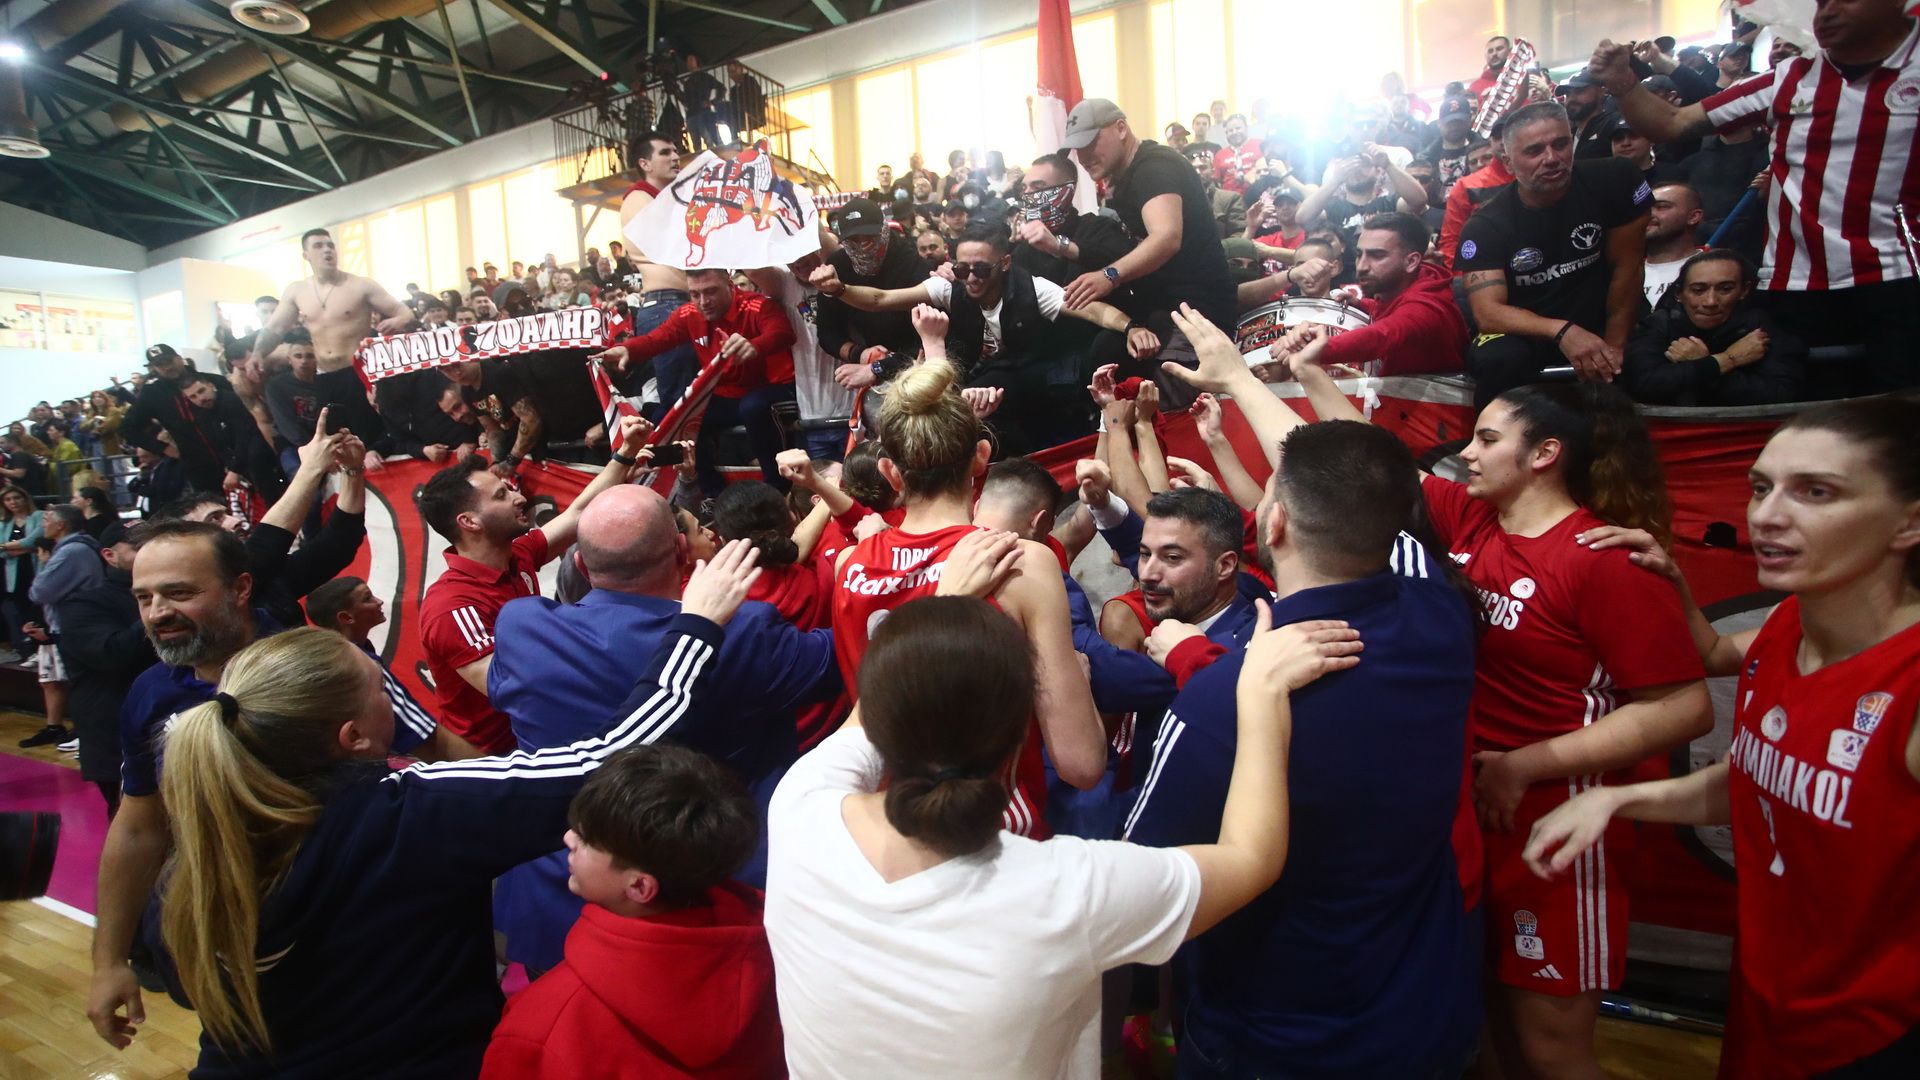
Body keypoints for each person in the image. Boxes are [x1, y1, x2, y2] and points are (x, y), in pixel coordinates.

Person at [110, 545, 754, 1074]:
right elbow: (609, 757)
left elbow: (187, 986)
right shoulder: (407, 816)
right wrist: (696, 626)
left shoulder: (201, 842)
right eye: (379, 688)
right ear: (355, 738)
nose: (391, 697)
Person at [765, 590, 1360, 1077]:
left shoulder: (800, 810)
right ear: (1019, 739)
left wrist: (943, 604)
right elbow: (1251, 857)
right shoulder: (1065, 889)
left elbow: (873, 712)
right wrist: (1257, 692)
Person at [1525, 396, 1920, 1079]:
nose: (1767, 515)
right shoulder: (1786, 626)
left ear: (1909, 522)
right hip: (1770, 1005)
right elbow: (1761, 779)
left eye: (1816, 492)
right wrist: (1615, 800)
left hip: (1878, 1034)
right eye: (1762, 487)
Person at [1126, 419, 1482, 1078]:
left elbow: (1139, 894)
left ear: (1276, 523)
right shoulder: (1443, 616)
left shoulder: (1218, 705)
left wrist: (1202, 662)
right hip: (1427, 1018)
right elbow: (1369, 493)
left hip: (1276, 1041)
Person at [486, 482, 838, 971]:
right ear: (681, 552)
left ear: (582, 566)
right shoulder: (743, 632)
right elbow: (855, 652)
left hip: (557, 908)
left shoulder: (521, 629)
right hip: (714, 912)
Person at [828, 360, 1106, 839]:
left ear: (891, 472)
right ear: (981, 457)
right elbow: (1081, 764)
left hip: (887, 830)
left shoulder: (849, 567)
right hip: (990, 831)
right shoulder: (1020, 563)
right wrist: (1079, 680)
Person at [1590, 1, 1920, 395]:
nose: (1825, 12)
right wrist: (1622, 82)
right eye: (1819, 2)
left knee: (1900, 410)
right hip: (1796, 284)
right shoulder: (1789, 78)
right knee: (1807, 411)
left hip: (1897, 276)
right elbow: (1672, 123)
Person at [480, 744, 781, 1079]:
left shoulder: (543, 1027)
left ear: (639, 887)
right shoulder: (779, 953)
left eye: (587, 840)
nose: (568, 839)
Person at [414, 414, 651, 754]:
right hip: (496, 759)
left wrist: (625, 453)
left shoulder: (517, 553)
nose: (519, 497)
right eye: (501, 495)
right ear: (469, 522)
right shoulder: (451, 607)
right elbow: (513, 688)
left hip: (544, 736)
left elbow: (578, 513)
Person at [810, 227, 1157, 455]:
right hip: (998, 375)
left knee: (1109, 345)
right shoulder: (949, 288)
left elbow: (1093, 310)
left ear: (1004, 263)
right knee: (977, 398)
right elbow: (880, 299)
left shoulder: (1032, 288)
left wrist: (1131, 328)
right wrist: (839, 290)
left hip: (1045, 368)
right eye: (963, 269)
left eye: (981, 269)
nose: (971, 278)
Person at [1456, 101, 1652, 406]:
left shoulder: (1616, 180)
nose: (1551, 159)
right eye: (1534, 151)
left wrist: (1613, 350)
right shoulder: (1486, 225)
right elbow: (1488, 313)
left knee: (1648, 359)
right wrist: (1562, 331)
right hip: (1530, 331)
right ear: (1508, 163)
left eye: (1560, 144)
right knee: (1499, 358)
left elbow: (1627, 269)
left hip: (1603, 317)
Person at [592, 268, 797, 494]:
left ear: (729, 285)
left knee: (754, 406)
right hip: (728, 398)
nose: (703, 301)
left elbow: (783, 333)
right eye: (695, 294)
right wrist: (626, 349)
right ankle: (709, 493)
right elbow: (656, 339)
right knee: (670, 415)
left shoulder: (757, 305)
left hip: (777, 390)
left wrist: (756, 346)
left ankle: (778, 490)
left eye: (711, 291)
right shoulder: (689, 313)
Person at [1061, 98, 1238, 353]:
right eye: (1078, 148)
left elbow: (1166, 237)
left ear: (1121, 128)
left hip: (1195, 316)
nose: (1083, 157)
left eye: (1090, 143)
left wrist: (1109, 276)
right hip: (1170, 310)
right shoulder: (1129, 174)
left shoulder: (1153, 168)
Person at [249, 228, 413, 441]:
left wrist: (398, 320)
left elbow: (403, 311)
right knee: (338, 438)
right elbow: (275, 328)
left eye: (330, 245)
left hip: (359, 372)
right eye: (318, 246)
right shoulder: (297, 291)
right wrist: (257, 353)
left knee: (374, 437)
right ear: (306, 255)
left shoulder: (360, 285)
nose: (327, 250)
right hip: (324, 376)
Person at [1268, 212, 1469, 376]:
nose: (1362, 266)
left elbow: (1381, 336)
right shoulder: (1408, 283)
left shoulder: (1427, 307)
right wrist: (1362, 304)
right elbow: (1395, 310)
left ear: (1411, 261)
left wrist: (1310, 348)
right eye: (1359, 254)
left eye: (1377, 255)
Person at [1622, 248, 1807, 406]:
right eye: (1698, 290)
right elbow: (1642, 385)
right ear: (1679, 293)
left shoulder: (1765, 327)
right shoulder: (1658, 325)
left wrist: (1701, 365)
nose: (1710, 301)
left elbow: (1783, 393)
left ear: (1744, 290)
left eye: (1725, 289)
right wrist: (1725, 361)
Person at [57, 521, 153, 815]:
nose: (151, 552)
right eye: (139, 546)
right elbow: (111, 653)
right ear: (109, 555)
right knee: (134, 821)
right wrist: (160, 607)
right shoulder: (83, 603)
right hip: (117, 736)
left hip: (175, 728)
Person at [617, 131, 699, 406]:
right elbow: (672, 243)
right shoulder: (638, 197)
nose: (675, 157)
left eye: (676, 151)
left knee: (694, 397)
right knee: (680, 401)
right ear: (645, 163)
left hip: (681, 301)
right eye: (665, 152)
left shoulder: (666, 199)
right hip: (665, 303)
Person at [119, 345, 258, 495]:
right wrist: (163, 448)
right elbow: (128, 428)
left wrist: (238, 462)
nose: (167, 367)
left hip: (239, 457)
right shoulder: (152, 394)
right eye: (160, 365)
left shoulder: (212, 380)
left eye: (169, 361)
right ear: (155, 368)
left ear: (179, 359)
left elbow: (244, 421)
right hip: (198, 467)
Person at [1297, 144, 1429, 275]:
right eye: (1351, 165)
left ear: (1378, 171)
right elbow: (1302, 217)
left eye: (1365, 164)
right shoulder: (1333, 207)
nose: (1357, 169)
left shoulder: (1390, 203)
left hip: (1384, 276)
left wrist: (1388, 165)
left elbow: (1419, 200)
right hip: (1340, 277)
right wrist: (1335, 180)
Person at [1642, 181, 1706, 307]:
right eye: (1645, 208)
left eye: (1661, 207)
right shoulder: (1625, 273)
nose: (1648, 214)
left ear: (1693, 217)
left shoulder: (1719, 268)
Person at [1, 484, 43, 674]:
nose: (13, 502)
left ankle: (40, 650)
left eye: (16, 498)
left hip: (36, 570)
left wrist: (8, 547)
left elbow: (33, 541)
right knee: (21, 610)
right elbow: (2, 552)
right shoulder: (5, 523)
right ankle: (29, 650)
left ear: (25, 499)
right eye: (8, 499)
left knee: (38, 610)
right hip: (14, 574)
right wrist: (26, 549)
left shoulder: (38, 516)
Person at [1427, 96, 1481, 195]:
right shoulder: (1427, 157)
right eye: (1449, 122)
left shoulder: (1484, 152)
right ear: (1439, 123)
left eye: (1459, 122)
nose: (1454, 126)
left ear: (1469, 119)